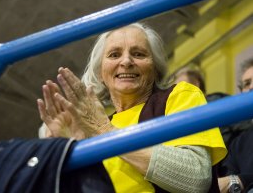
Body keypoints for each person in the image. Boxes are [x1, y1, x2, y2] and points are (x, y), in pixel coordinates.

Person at [37, 22, 227, 193]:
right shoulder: (94, 126)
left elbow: (195, 179)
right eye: (114, 54)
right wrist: (62, 152)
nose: (126, 62)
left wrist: (105, 132)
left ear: (155, 68)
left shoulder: (179, 95)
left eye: (138, 54)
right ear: (101, 72)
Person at [217, 58, 253, 193]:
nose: (251, 87)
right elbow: (225, 182)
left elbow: (231, 181)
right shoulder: (238, 143)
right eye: (246, 83)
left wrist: (240, 180)